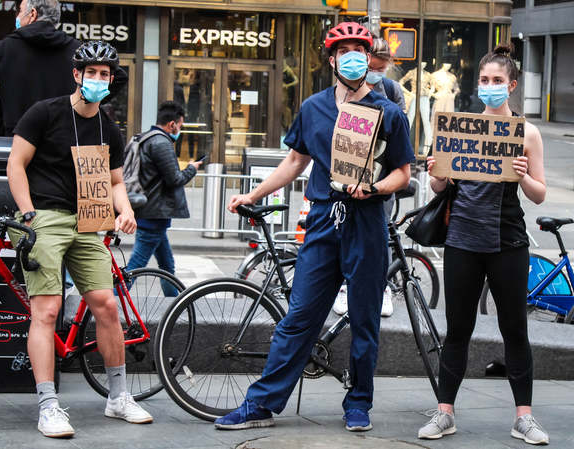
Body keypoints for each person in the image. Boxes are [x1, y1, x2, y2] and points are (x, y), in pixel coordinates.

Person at [215, 22, 414, 432]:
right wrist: (253, 195)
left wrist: (373, 187)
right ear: (332, 59)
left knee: (364, 319)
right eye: (346, 51)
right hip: (323, 221)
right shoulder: (313, 107)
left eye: (361, 49)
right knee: (299, 316)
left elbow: (404, 174)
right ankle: (262, 404)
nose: (354, 57)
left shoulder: (389, 112)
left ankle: (358, 402)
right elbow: (294, 162)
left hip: (367, 220)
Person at [6, 41, 152, 438]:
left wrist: (125, 210)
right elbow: (15, 164)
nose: (98, 80)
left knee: (106, 304)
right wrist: (29, 214)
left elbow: (116, 181)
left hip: (89, 221)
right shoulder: (45, 113)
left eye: (105, 74)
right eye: (91, 72)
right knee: (47, 310)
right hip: (46, 218)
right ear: (77, 75)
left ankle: (118, 396)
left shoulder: (110, 129)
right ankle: (48, 405)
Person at [418, 45, 549, 445]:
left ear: (511, 86)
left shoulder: (527, 132)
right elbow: (440, 185)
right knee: (458, 328)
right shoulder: (461, 128)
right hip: (461, 240)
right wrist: (435, 171)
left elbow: (540, 194)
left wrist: (523, 175)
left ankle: (523, 418)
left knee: (515, 329)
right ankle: (445, 413)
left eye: (497, 81)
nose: (490, 87)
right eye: (484, 80)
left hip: (508, 241)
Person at [332, 37, 407, 318]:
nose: (375, 73)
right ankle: (344, 287)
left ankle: (382, 287)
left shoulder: (391, 91)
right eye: (372, 67)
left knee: (380, 232)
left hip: (380, 178)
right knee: (343, 232)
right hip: (347, 172)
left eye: (381, 68)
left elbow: (401, 129)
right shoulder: (343, 91)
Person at [0, 0, 126, 136]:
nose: (18, 16)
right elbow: (119, 76)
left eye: (20, 11)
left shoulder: (7, 47)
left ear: (33, 14)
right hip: (63, 137)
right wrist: (88, 100)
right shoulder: (75, 49)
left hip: (15, 137)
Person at [126, 101, 202, 287]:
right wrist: (192, 168)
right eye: (180, 126)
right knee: (134, 268)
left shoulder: (147, 138)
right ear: (172, 124)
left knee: (167, 268)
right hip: (153, 216)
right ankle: (107, 306)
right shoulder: (161, 142)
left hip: (151, 214)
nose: (179, 130)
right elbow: (175, 179)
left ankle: (175, 308)